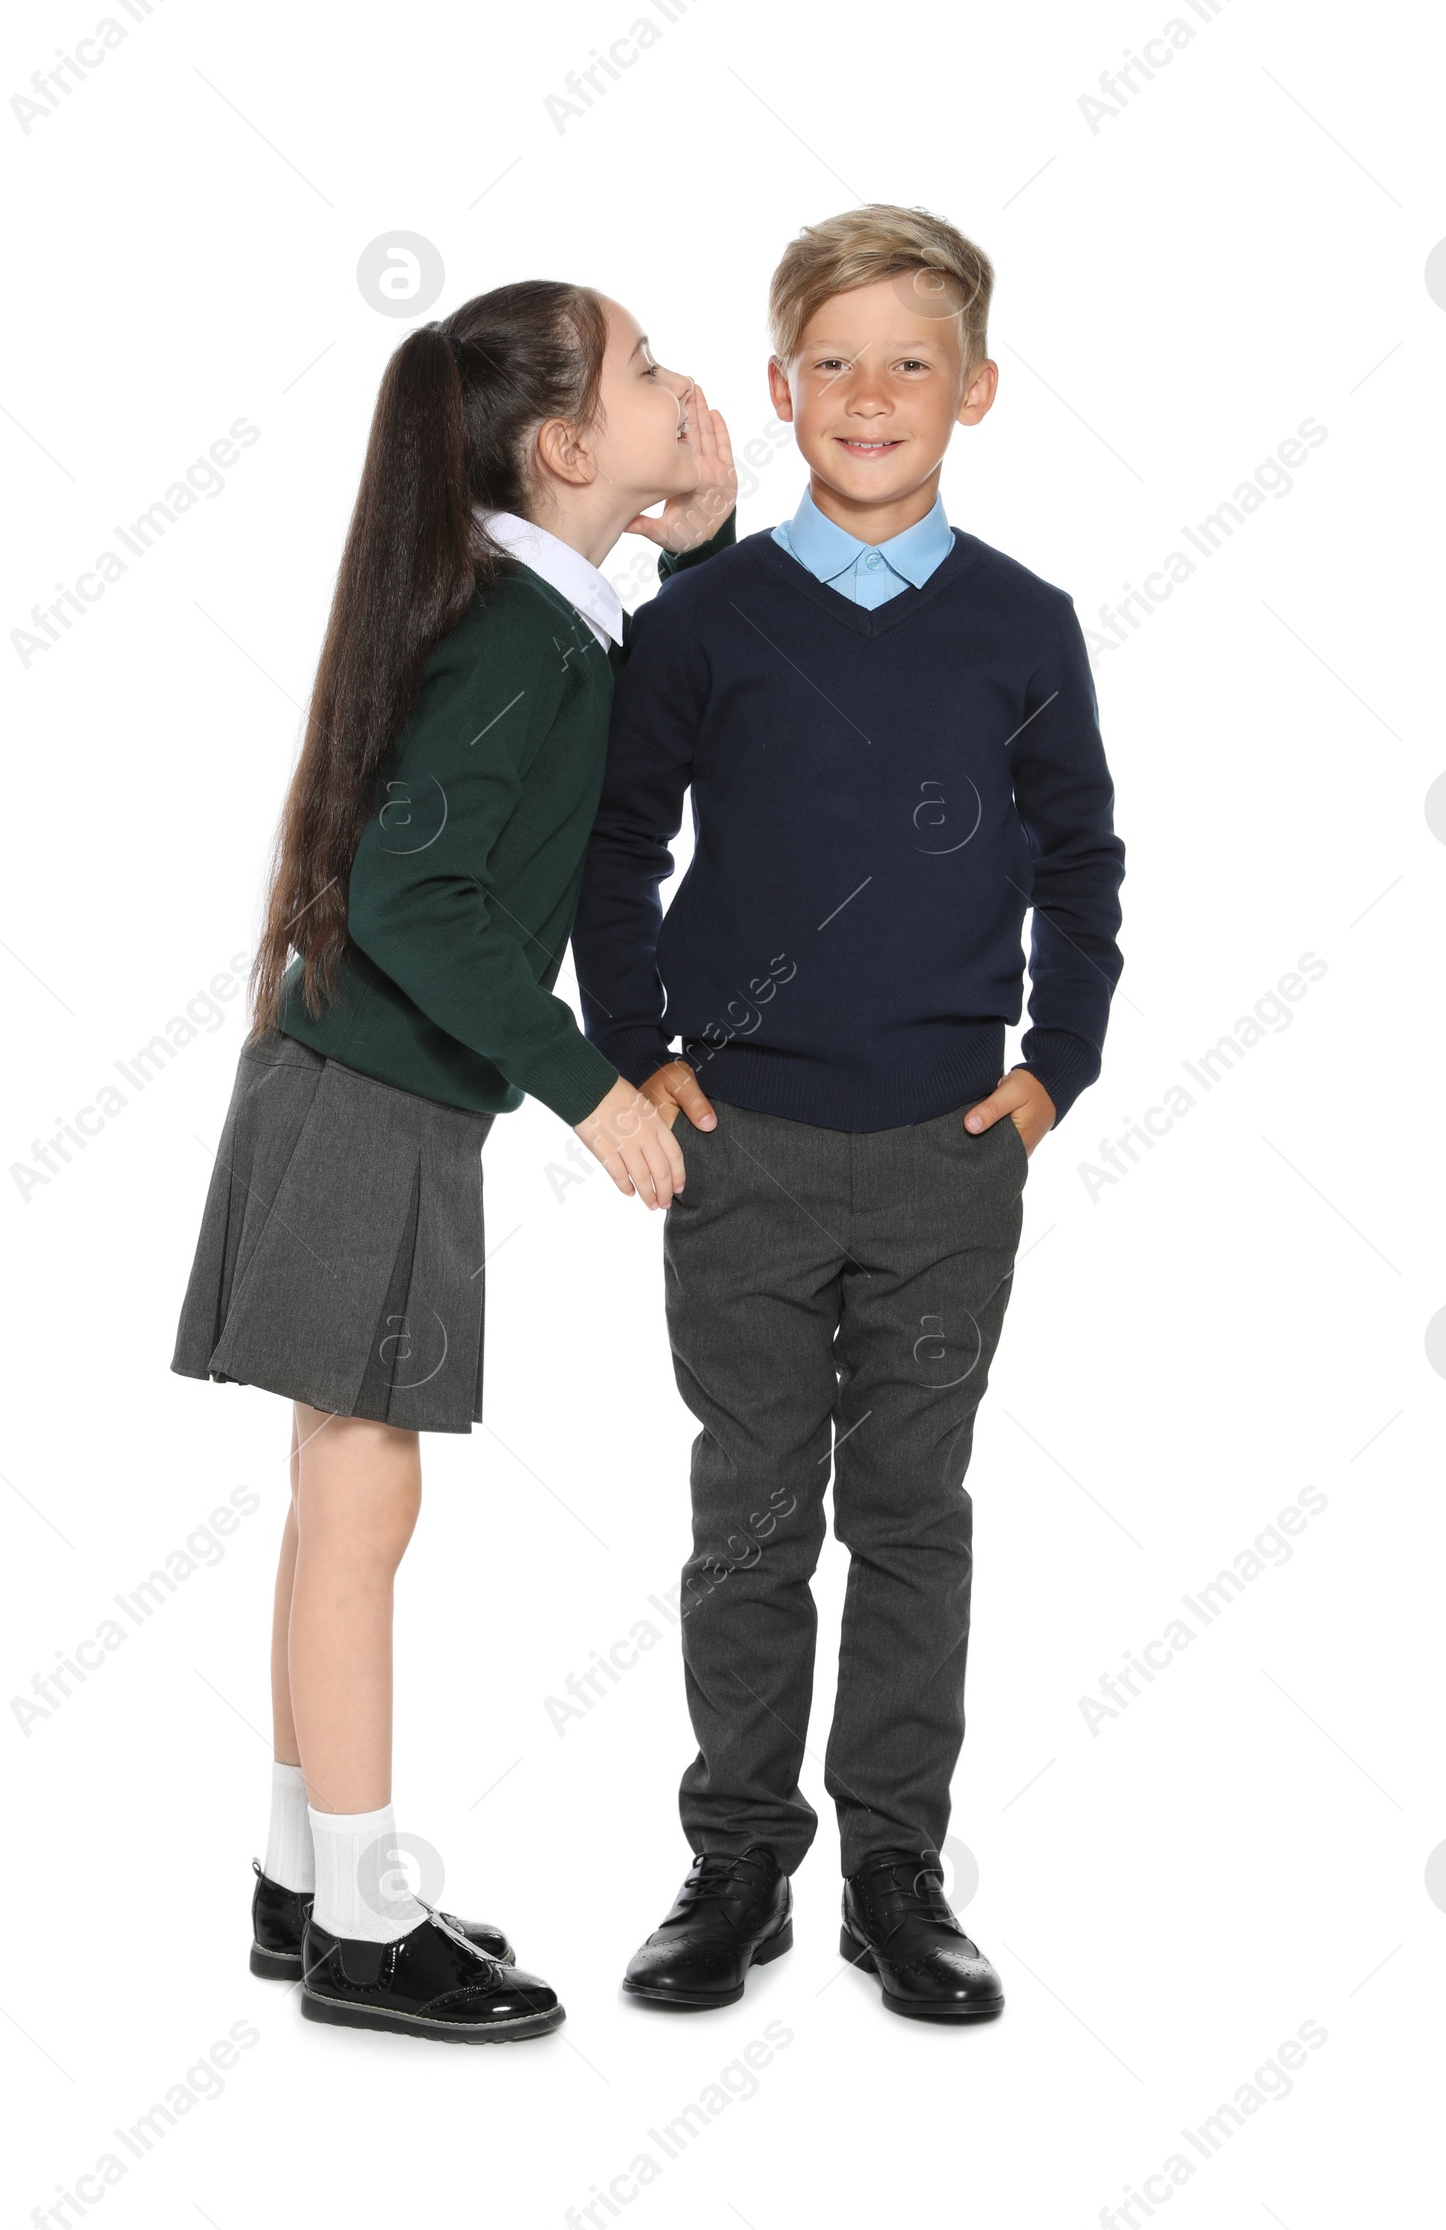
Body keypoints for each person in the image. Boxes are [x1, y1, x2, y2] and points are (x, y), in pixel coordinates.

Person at [572, 205, 1125, 2022]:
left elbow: (1081, 860)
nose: (870, 395)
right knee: (748, 1514)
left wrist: (1060, 1068)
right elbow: (619, 843)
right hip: (747, 1150)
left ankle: (897, 1866)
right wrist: (647, 1049)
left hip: (955, 1156)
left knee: (913, 1511)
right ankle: (738, 1859)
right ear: (781, 386)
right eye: (835, 361)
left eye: (909, 363)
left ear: (973, 390)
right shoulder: (710, 617)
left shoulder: (1023, 626)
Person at [172, 279, 736, 2042]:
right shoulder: (512, 632)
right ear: (570, 446)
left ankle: (300, 1877)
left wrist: (702, 553)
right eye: (646, 369)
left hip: (365, 1091)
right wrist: (593, 1092)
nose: (682, 384)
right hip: (370, 1101)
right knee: (364, 1499)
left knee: (342, 1490)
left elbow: (658, 723)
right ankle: (355, 1921)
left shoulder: (551, 622)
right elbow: (416, 890)